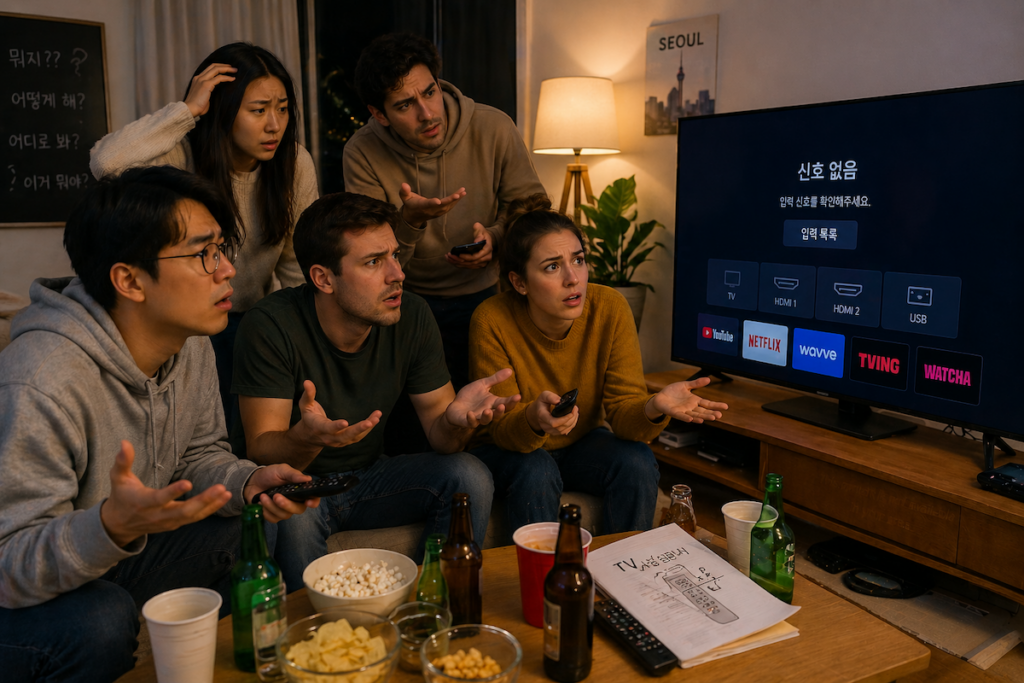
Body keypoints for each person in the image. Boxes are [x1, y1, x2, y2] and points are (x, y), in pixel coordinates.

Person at [0, 166, 316, 683]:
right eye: (202, 254)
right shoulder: (41, 381)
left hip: (115, 553)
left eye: (222, 249)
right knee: (99, 617)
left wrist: (246, 481)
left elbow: (198, 456)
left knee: (250, 528)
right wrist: (109, 525)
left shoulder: (190, 343)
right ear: (128, 280)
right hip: (22, 591)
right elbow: (7, 562)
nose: (226, 270)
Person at [231, 192, 520, 592]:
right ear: (323, 278)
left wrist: (456, 422)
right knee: (289, 511)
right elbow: (261, 450)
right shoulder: (270, 325)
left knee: (469, 473)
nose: (396, 274)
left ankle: (433, 606)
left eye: (395, 256)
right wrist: (306, 438)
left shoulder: (413, 315)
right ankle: (323, 638)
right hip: (302, 481)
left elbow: (444, 438)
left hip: (371, 476)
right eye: (373, 262)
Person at [468, 195, 730, 542]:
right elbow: (501, 429)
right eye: (552, 267)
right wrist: (533, 417)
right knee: (536, 468)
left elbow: (623, 414)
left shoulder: (610, 308)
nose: (573, 278)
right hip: (510, 451)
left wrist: (654, 406)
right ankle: (542, 586)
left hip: (580, 444)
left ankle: (625, 573)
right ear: (519, 282)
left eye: (578, 260)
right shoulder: (491, 319)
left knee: (636, 459)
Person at [90, 42, 318, 425]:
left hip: (258, 323)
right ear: (223, 111)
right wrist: (187, 111)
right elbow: (106, 164)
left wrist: (299, 338)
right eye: (258, 111)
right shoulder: (182, 157)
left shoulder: (293, 164)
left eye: (282, 109)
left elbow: (299, 262)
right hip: (189, 327)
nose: (274, 124)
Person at [343, 32, 546, 389]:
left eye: (429, 92)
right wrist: (410, 221)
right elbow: (368, 255)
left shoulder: (493, 126)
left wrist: (496, 239)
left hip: (488, 295)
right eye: (405, 105)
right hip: (404, 302)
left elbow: (531, 210)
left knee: (493, 407)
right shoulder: (361, 152)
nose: (427, 113)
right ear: (380, 114)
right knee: (420, 423)